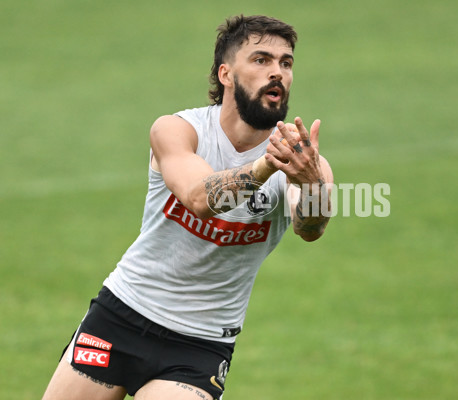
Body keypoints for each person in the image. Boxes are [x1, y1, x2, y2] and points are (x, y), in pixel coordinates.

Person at [42, 14, 333, 400]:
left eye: (286, 62)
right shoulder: (178, 130)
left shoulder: (302, 159)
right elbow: (200, 199)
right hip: (121, 315)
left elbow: (309, 229)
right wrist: (267, 165)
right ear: (226, 74)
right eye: (262, 60)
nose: (277, 72)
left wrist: (311, 181)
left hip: (201, 344)